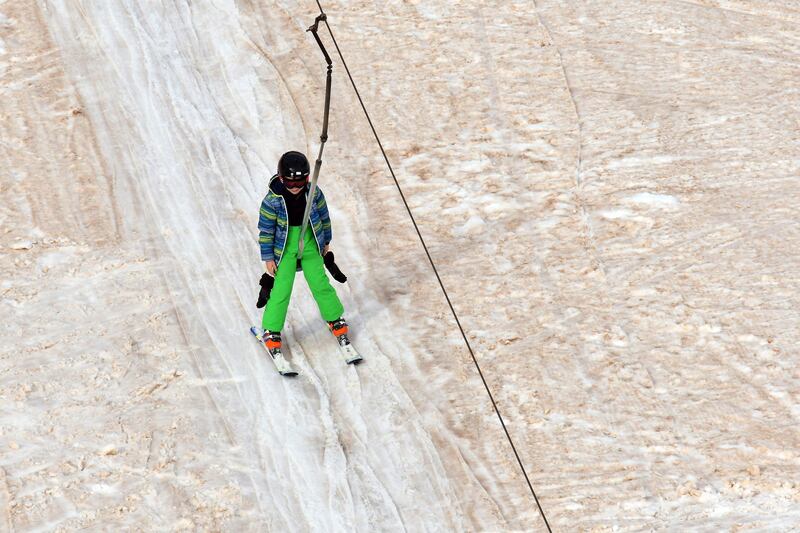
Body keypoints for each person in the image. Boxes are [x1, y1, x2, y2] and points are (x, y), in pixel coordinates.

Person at [257, 151, 349, 359]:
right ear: (281, 179)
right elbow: (266, 231)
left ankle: (335, 318)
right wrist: (268, 258)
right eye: (290, 183)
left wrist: (326, 241)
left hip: (310, 241)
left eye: (300, 182)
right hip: (284, 247)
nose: (296, 187)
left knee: (320, 283)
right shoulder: (273, 200)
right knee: (281, 288)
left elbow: (324, 217)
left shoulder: (314, 193)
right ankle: (271, 329)